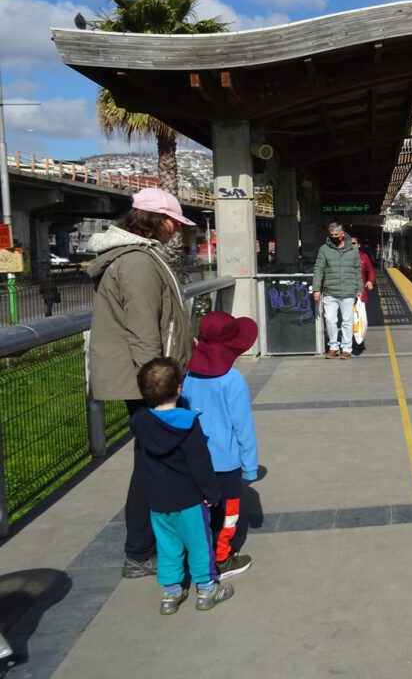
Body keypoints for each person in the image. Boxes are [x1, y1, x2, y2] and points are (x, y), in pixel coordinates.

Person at [87, 186, 196, 579]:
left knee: (152, 462)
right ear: (160, 221)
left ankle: (146, 547)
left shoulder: (133, 257)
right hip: (146, 382)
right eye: (174, 224)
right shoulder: (137, 263)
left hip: (140, 378)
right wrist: (162, 386)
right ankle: (139, 552)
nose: (175, 231)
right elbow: (143, 331)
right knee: (155, 464)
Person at [130, 358, 233, 614]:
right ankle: (207, 588)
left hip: (158, 500)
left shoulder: (141, 423)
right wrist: (212, 493)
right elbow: (200, 464)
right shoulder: (188, 424)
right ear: (179, 388)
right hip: (189, 499)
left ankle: (171, 592)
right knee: (200, 544)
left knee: (167, 546)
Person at [181, 311, 259, 580]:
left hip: (194, 461)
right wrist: (249, 467)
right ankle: (223, 558)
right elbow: (243, 427)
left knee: (201, 513)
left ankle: (200, 558)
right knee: (228, 513)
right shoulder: (232, 380)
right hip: (226, 463)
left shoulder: (189, 375)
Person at [312, 222, 362, 359]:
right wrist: (316, 289)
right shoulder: (324, 249)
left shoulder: (353, 249)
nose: (333, 237)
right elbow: (319, 269)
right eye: (331, 235)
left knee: (347, 321)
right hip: (330, 292)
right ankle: (333, 346)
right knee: (330, 320)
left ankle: (346, 348)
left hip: (348, 291)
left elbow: (357, 270)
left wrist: (359, 288)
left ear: (342, 233)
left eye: (335, 234)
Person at [348, 236, 376, 355]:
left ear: (358, 245)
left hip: (360, 295)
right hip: (346, 294)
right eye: (349, 243)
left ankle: (360, 340)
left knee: (360, 319)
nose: (352, 245)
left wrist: (370, 281)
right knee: (347, 320)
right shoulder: (342, 257)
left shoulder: (364, 257)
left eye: (354, 243)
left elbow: (370, 271)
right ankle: (348, 343)